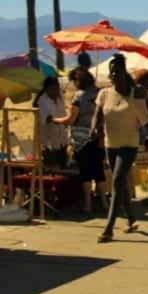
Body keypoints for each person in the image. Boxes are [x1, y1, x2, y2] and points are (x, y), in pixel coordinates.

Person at [92, 54, 148, 243]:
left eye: (117, 72)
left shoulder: (135, 96)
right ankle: (131, 218)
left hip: (129, 144)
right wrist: (94, 128)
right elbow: (97, 115)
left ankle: (109, 227)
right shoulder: (104, 94)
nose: (114, 75)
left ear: (124, 73)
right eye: (111, 73)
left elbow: (146, 121)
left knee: (118, 179)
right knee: (120, 185)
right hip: (111, 143)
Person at [52, 69, 108, 214]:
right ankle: (105, 202)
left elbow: (71, 119)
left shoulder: (78, 97)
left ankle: (88, 205)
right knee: (98, 170)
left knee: (85, 172)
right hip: (100, 136)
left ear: (78, 81)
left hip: (82, 139)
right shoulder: (101, 93)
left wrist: (54, 120)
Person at [35, 77, 68, 170]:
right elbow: (49, 119)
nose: (56, 91)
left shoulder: (60, 96)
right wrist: (64, 120)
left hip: (62, 141)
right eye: (54, 89)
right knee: (52, 169)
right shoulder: (42, 101)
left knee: (63, 167)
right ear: (47, 89)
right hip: (49, 143)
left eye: (57, 88)